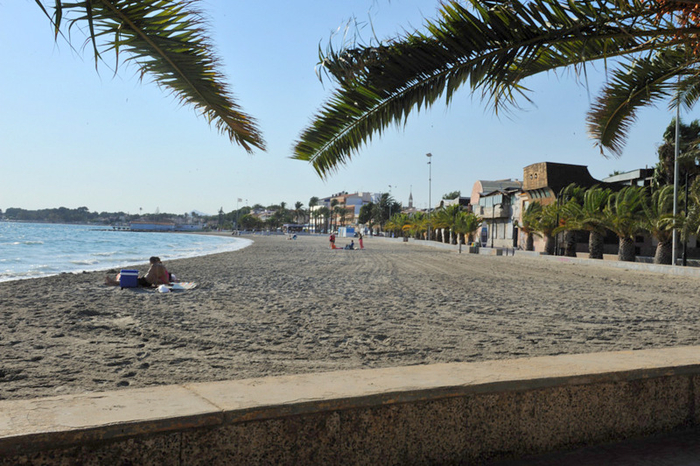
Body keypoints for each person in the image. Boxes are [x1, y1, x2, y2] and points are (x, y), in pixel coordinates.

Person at [105, 256, 172, 287]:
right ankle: (113, 282)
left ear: (151, 261)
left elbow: (153, 276)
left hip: (145, 281)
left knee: (130, 281)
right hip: (147, 282)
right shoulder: (162, 266)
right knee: (135, 279)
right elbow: (160, 276)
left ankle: (113, 282)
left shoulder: (154, 266)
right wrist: (167, 283)